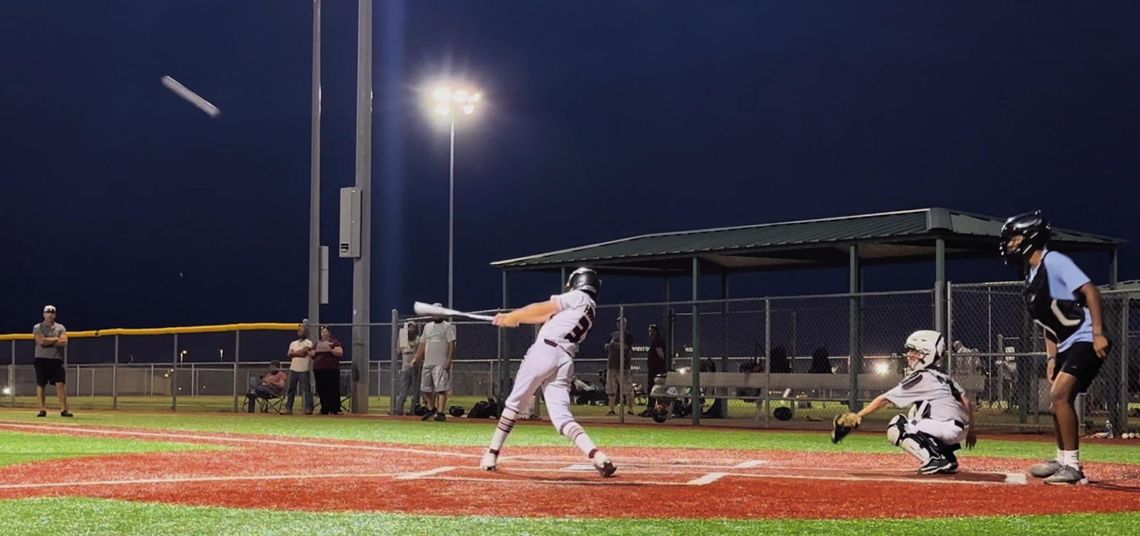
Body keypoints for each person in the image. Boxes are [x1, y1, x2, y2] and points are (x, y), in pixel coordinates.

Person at [1001, 211, 1109, 485]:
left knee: (1060, 396)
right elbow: (1047, 322)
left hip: (1084, 337)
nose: (1010, 244)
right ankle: (1062, 459)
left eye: (1014, 238)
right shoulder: (1032, 274)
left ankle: (1073, 467)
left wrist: (1098, 333)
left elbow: (1091, 291)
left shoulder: (1054, 261)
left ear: (1030, 238)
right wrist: (1052, 357)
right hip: (1066, 343)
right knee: (1056, 402)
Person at [480, 267, 616, 477]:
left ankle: (491, 454)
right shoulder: (590, 307)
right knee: (562, 417)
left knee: (514, 403)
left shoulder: (578, 297)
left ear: (578, 283)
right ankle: (598, 456)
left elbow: (544, 307)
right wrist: (515, 318)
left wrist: (512, 316)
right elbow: (545, 314)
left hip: (545, 351)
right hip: (564, 360)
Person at [836, 330, 976, 474]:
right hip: (958, 429)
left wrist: (859, 415)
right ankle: (948, 458)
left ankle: (935, 459)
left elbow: (884, 399)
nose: (910, 355)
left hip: (947, 428)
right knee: (916, 413)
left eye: (915, 351)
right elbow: (967, 402)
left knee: (897, 425)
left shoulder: (923, 377)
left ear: (926, 354)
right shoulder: (943, 376)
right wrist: (971, 430)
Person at [414, 306, 456, 422]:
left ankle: (441, 412)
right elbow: (422, 344)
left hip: (440, 363)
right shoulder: (427, 327)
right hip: (428, 362)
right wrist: (416, 358)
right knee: (425, 388)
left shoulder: (447, 327)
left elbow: (451, 344)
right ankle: (431, 408)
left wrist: (449, 360)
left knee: (441, 388)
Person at [33, 305, 71, 418]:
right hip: (41, 359)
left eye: (52, 312)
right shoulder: (37, 327)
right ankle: (42, 409)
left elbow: (64, 342)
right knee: (41, 384)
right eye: (47, 312)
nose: (50, 314)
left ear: (55, 314)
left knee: (61, 384)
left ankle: (64, 410)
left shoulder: (61, 327)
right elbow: (41, 342)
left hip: (56, 360)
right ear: (43, 314)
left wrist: (47, 340)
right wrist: (56, 339)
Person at [284, 323, 315, 415]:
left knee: (306, 390)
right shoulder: (293, 343)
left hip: (304, 370)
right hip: (293, 369)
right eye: (300, 330)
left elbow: (303, 353)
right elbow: (289, 354)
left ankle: (309, 408)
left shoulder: (308, 342)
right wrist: (298, 353)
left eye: (303, 330)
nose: (301, 332)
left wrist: (294, 353)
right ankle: (288, 408)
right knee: (291, 390)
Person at [312, 326, 344, 415]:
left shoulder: (334, 342)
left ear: (329, 333)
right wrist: (314, 351)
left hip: (332, 369)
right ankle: (324, 409)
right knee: (321, 389)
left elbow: (340, 352)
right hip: (319, 369)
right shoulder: (317, 343)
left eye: (326, 332)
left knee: (333, 389)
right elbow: (311, 353)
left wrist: (330, 349)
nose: (324, 333)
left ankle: (335, 409)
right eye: (322, 332)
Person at [394, 321, 421, 416]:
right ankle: (398, 409)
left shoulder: (418, 339)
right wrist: (401, 336)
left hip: (415, 368)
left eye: (412, 327)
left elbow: (420, 353)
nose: (411, 329)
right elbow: (398, 351)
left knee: (415, 391)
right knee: (403, 390)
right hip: (405, 368)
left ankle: (414, 410)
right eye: (409, 327)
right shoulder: (404, 338)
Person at [641, 323, 668, 417]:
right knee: (652, 388)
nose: (650, 333)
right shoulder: (656, 340)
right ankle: (652, 407)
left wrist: (661, 363)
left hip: (656, 369)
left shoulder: (657, 340)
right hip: (654, 368)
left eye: (652, 331)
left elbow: (660, 354)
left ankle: (653, 408)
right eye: (649, 331)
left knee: (653, 388)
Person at [603, 330, 632, 415]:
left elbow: (626, 347)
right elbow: (606, 346)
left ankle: (630, 410)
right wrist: (612, 345)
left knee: (627, 388)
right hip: (612, 365)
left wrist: (614, 344)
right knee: (611, 388)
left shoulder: (627, 335)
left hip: (624, 366)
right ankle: (611, 409)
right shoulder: (612, 334)